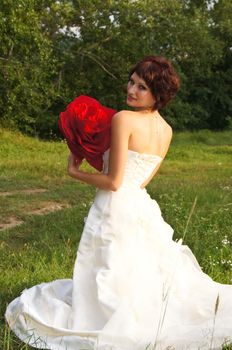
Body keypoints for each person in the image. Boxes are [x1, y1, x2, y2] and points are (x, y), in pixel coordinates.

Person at [5, 56, 232, 350]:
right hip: (140, 204)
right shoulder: (166, 130)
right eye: (132, 81)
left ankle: (106, 316)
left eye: (143, 87)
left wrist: (77, 172)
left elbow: (113, 182)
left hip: (114, 206)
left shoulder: (123, 118)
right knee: (133, 269)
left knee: (110, 267)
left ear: (157, 95)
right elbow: (141, 180)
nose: (132, 90)